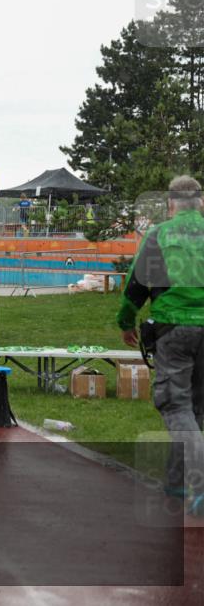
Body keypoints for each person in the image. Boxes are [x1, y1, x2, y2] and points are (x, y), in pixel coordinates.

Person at [117, 175, 204, 517]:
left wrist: (126, 323)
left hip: (175, 329)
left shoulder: (160, 235)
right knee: (196, 409)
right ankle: (176, 482)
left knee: (175, 406)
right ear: (201, 204)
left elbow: (136, 286)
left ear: (170, 206)